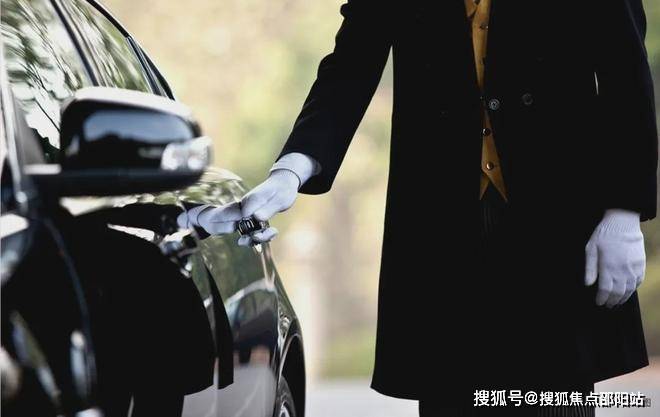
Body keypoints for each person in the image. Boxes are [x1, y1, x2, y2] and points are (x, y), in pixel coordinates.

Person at [180, 0, 658, 415]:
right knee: (451, 397)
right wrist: (291, 172)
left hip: (556, 219)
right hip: (440, 225)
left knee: (553, 399)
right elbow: (351, 64)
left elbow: (625, 71)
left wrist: (623, 214)